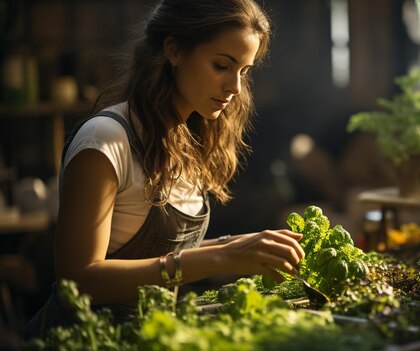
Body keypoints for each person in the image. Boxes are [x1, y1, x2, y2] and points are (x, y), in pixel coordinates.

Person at [25, 0, 304, 338]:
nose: (235, 87)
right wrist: (224, 257)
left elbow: (164, 255)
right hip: (83, 339)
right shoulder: (107, 140)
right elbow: (78, 281)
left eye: (243, 71)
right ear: (174, 50)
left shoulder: (187, 137)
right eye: (221, 66)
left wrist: (242, 246)